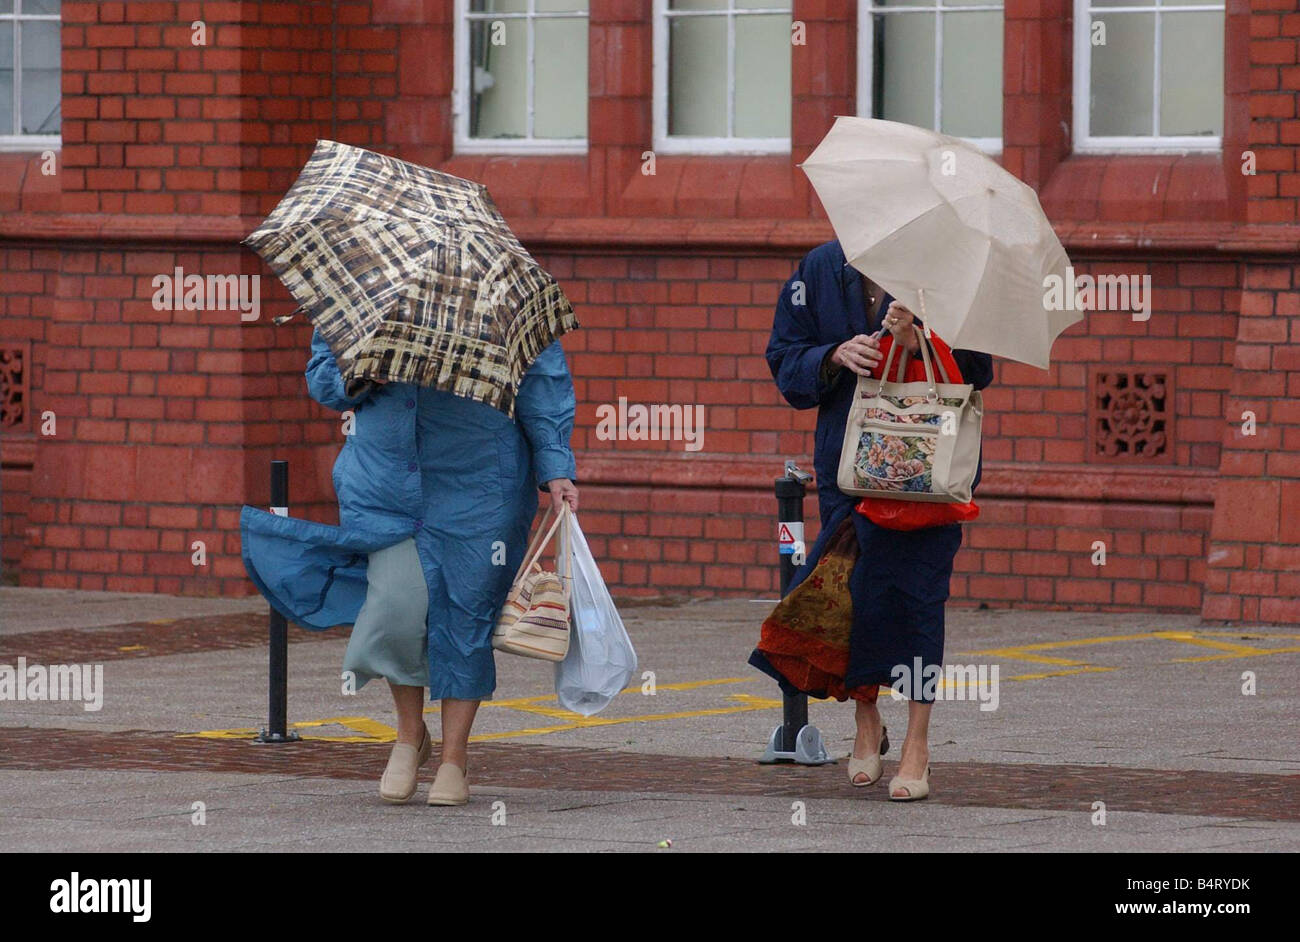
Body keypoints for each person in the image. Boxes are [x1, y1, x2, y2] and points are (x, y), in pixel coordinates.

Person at [299, 330, 578, 806]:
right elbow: (324, 382)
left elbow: (543, 382)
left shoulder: (500, 294)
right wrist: (367, 370)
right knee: (395, 607)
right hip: (384, 483)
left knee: (466, 614)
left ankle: (454, 756)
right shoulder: (367, 289)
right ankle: (410, 736)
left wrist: (555, 466)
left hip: (481, 482)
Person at [756, 240, 993, 801]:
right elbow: (784, 359)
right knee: (856, 598)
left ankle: (917, 742)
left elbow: (980, 371)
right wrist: (833, 356)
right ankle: (867, 721)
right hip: (849, 467)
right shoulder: (819, 267)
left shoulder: (948, 264)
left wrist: (922, 339)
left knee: (917, 604)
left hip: (929, 478)